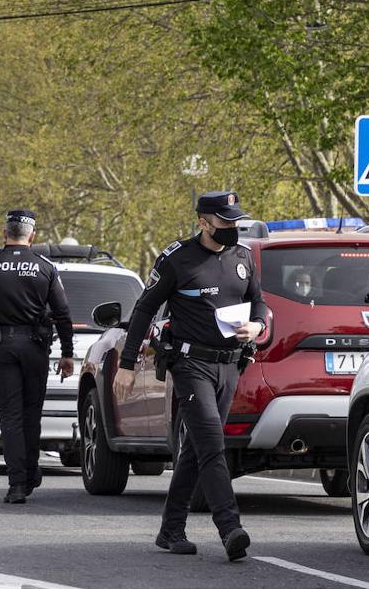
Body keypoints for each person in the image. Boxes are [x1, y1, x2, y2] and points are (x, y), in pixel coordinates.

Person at [114, 191, 268, 561]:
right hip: (190, 364)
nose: (232, 227)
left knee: (196, 448)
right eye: (224, 221)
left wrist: (258, 325)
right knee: (212, 443)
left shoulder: (243, 257)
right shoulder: (177, 259)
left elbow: (259, 301)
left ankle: (171, 529)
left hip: (229, 365)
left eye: (235, 221)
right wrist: (126, 364)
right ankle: (230, 527)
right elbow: (144, 310)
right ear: (203, 222)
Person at [0, 209, 75, 504]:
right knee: (31, 414)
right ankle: (29, 471)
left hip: (2, 350)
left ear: (5, 233)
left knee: (10, 418)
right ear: (32, 236)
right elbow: (63, 313)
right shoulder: (45, 268)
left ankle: (17, 483)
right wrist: (67, 353)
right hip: (35, 349)